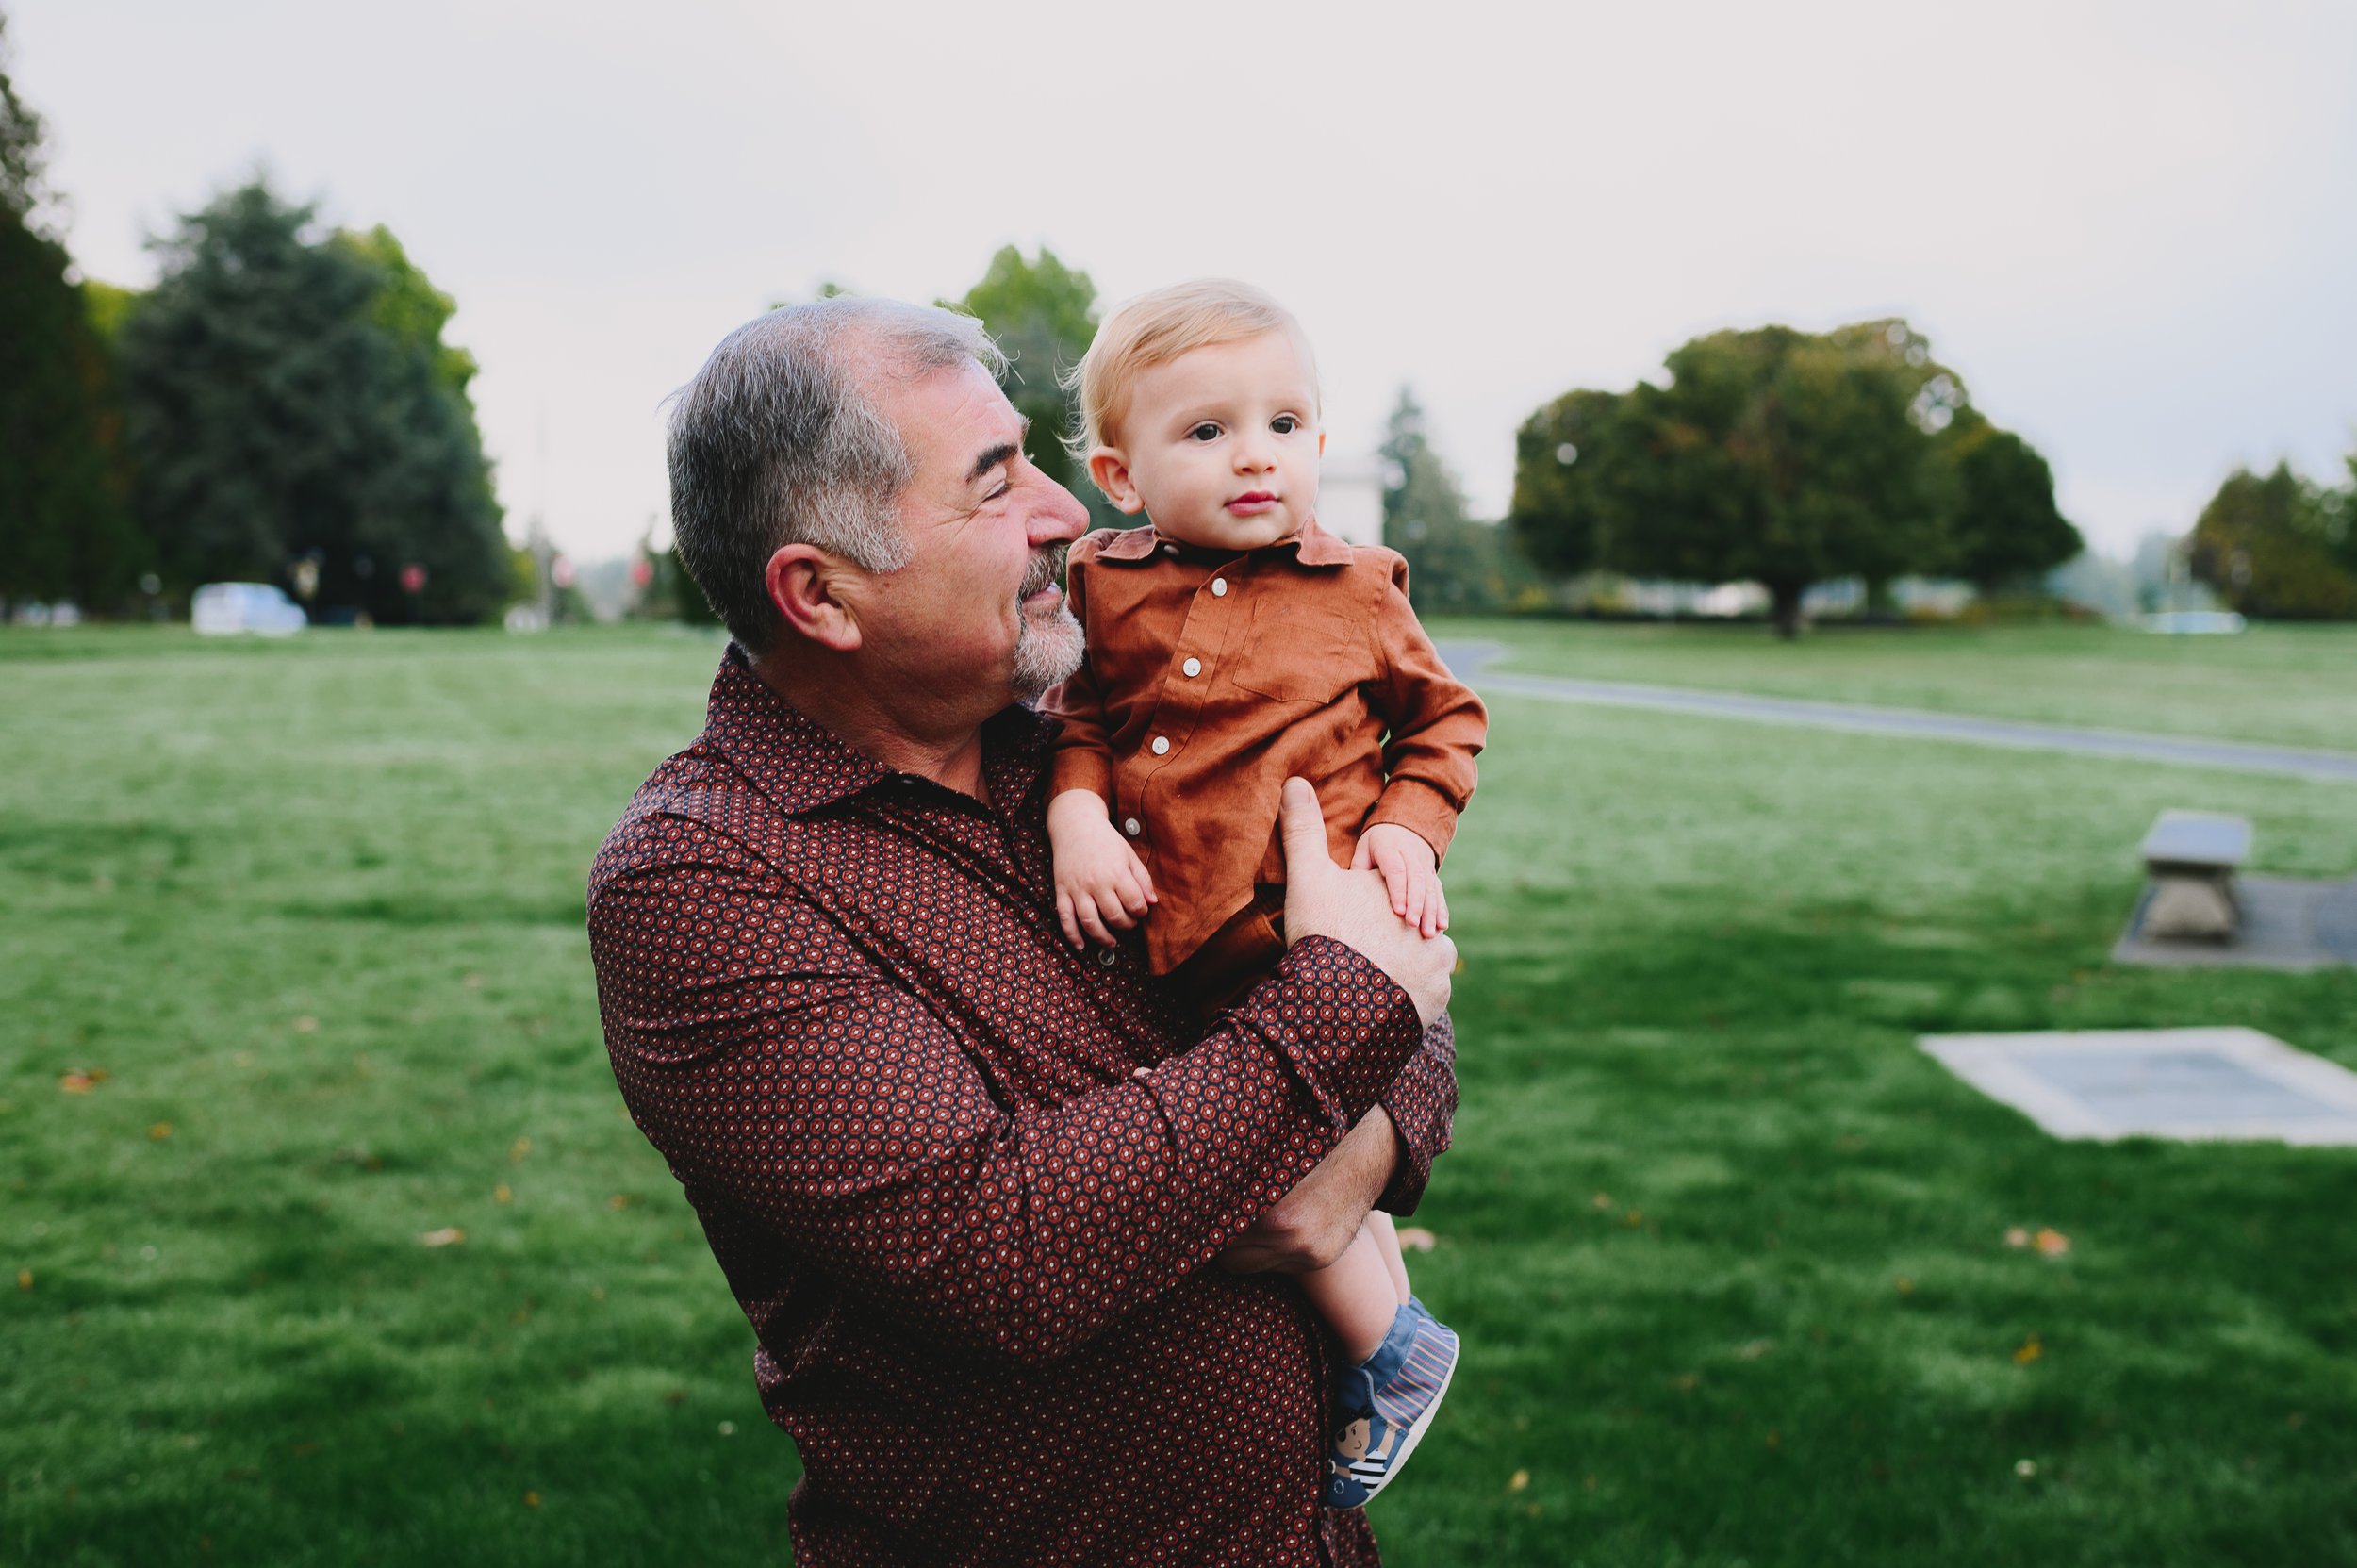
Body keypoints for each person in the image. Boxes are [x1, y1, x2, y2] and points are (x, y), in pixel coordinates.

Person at [586, 296, 1459, 1566]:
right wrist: (1339, 1023)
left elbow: (1402, 977)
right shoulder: (705, 882)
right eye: (997, 488)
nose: (1069, 513)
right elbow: (1005, 1253)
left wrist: (1352, 1159)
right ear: (822, 595)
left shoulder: (1097, 742)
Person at [1037, 279, 1486, 1509]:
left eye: (1285, 426)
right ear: (1122, 476)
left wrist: (1407, 830)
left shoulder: (1358, 589)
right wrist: (1076, 813)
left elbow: (1444, 725)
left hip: (1302, 940)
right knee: (1274, 1153)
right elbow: (1079, 718)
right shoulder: (1100, 581)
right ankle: (1386, 1330)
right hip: (1163, 934)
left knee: (1288, 1173)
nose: (1257, 457)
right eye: (1208, 432)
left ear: (1321, 447)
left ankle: (1388, 1355)